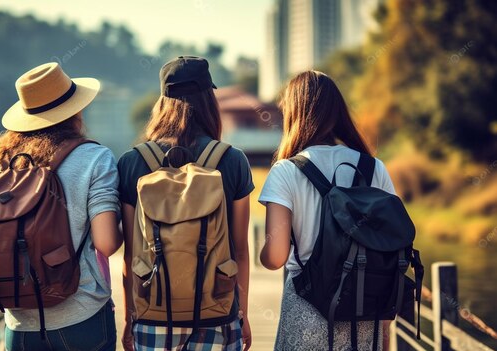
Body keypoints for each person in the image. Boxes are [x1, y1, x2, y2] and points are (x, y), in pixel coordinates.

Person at [0, 62, 121, 351]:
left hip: (19, 325)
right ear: (75, 110)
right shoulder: (94, 158)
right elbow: (106, 243)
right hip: (83, 317)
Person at [118, 56, 254, 351]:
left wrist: (131, 317)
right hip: (217, 314)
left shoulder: (132, 163)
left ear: (162, 101)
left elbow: (131, 253)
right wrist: (241, 313)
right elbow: (240, 249)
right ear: (209, 99)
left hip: (153, 315)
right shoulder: (232, 160)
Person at [258, 71, 395, 350]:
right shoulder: (372, 167)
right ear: (338, 112)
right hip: (363, 310)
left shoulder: (286, 171)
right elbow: (391, 244)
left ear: (294, 114)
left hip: (307, 309)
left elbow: (275, 257)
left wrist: (258, 254)